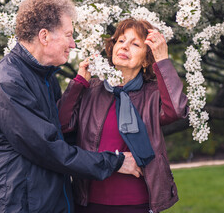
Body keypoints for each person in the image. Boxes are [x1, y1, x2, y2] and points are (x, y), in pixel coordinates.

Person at [0, 0, 127, 213]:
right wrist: (114, 162)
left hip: (44, 200)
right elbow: (48, 148)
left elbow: (64, 131)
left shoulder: (45, 76)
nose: (73, 44)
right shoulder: (8, 81)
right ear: (44, 36)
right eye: (68, 35)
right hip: (17, 205)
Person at [58, 18, 189, 213]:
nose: (125, 47)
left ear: (146, 60)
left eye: (135, 44)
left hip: (138, 203)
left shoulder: (153, 93)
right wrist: (78, 84)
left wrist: (162, 61)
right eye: (121, 41)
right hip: (89, 201)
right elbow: (61, 125)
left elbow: (177, 110)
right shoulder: (91, 89)